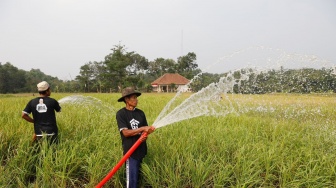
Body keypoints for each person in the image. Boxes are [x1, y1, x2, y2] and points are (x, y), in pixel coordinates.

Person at [116, 87, 155, 188]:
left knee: (139, 178)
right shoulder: (121, 114)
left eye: (136, 98)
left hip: (141, 151)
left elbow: (146, 131)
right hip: (131, 152)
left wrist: (145, 135)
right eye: (133, 98)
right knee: (132, 181)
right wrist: (142, 129)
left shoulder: (140, 113)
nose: (136, 100)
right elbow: (126, 133)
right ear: (127, 100)